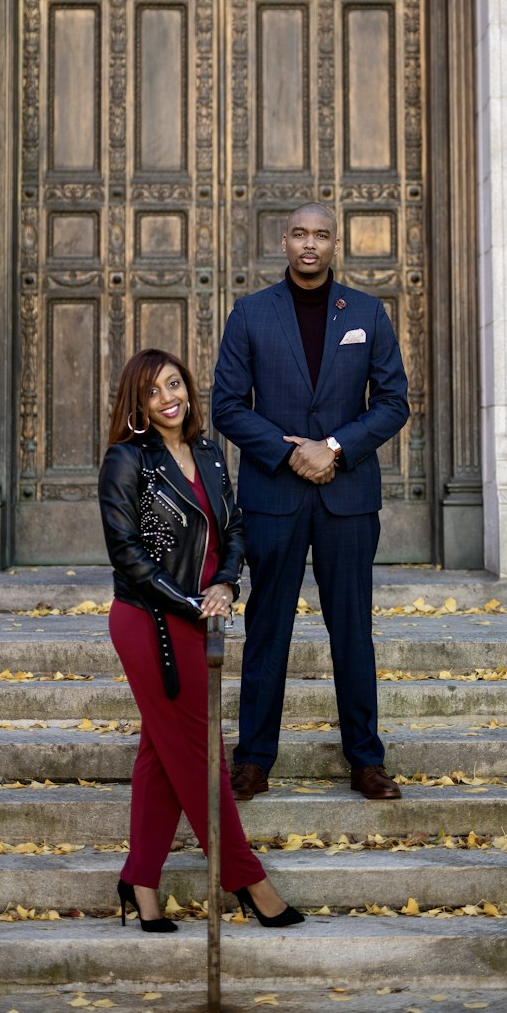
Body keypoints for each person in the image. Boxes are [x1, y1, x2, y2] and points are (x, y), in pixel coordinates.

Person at [98, 347, 304, 932]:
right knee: (200, 753)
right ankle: (245, 878)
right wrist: (193, 601)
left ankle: (140, 879)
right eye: (155, 392)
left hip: (199, 615)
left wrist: (225, 584)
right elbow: (128, 555)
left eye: (175, 385)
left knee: (160, 757)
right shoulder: (126, 460)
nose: (170, 398)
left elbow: (232, 527)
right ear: (137, 404)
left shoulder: (209, 455)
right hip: (148, 622)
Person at [211, 203, 410, 803]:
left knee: (352, 629)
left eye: (321, 235)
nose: (310, 245)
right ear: (284, 240)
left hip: (347, 497)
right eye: (300, 234)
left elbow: (393, 400)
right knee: (268, 628)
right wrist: (288, 450)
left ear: (335, 244)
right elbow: (226, 404)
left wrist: (335, 448)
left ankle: (366, 761)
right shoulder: (250, 314)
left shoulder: (368, 313)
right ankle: (253, 760)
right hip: (274, 496)